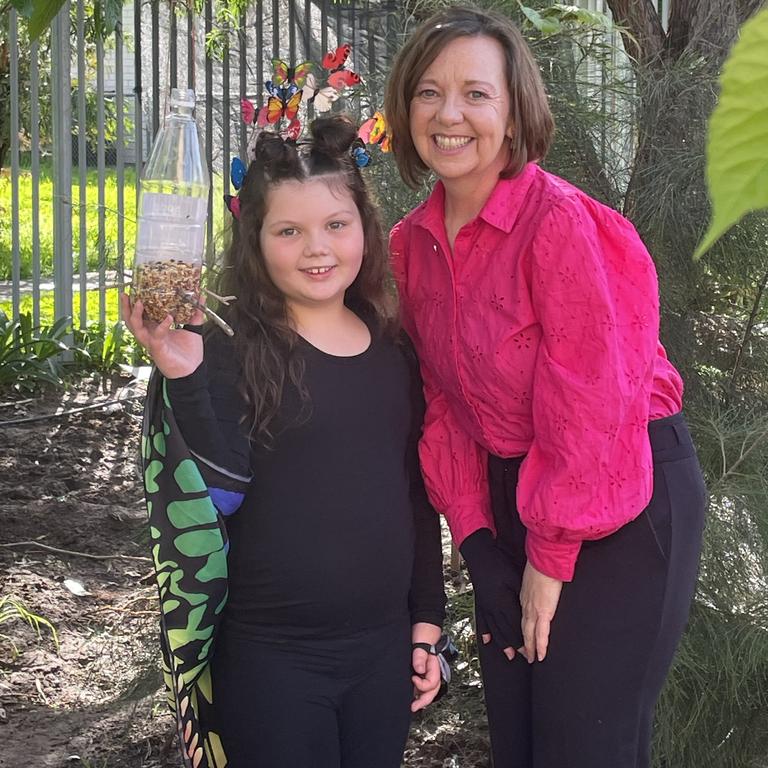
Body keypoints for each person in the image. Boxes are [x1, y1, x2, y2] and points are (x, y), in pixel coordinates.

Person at [384, 7, 706, 768]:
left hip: (619, 492)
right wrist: (479, 542)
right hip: (511, 499)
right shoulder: (409, 247)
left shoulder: (560, 224)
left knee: (582, 747)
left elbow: (593, 402)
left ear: (515, 107)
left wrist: (547, 557)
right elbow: (442, 404)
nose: (449, 114)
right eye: (429, 93)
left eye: (476, 94)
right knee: (522, 746)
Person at [122, 115, 446, 768]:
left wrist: (428, 622)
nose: (316, 248)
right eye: (288, 231)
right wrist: (186, 375)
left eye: (335, 225)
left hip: (382, 653)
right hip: (272, 659)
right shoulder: (233, 347)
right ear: (257, 241)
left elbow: (415, 496)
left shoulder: (395, 352)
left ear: (365, 229)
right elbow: (217, 492)